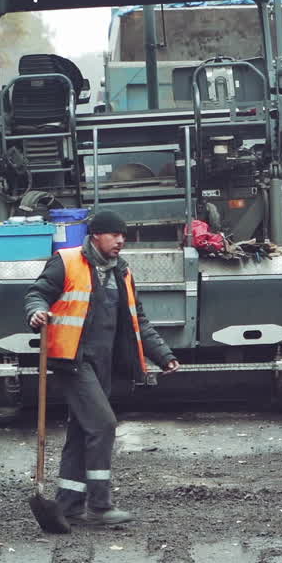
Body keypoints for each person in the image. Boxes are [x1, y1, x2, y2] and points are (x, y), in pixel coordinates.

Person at [26, 209, 178, 526]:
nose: (121, 240)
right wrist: (37, 312)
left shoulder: (121, 272)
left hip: (104, 364)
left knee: (82, 431)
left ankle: (69, 504)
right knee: (103, 424)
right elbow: (38, 293)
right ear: (96, 235)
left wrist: (163, 355)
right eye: (114, 234)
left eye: (123, 235)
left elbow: (140, 321)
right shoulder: (66, 262)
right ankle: (99, 505)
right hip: (73, 361)